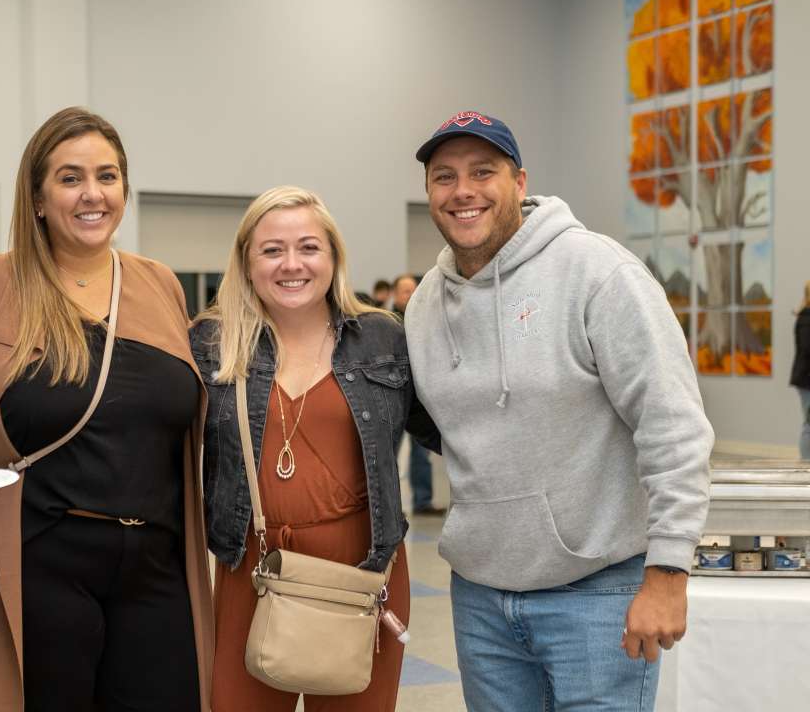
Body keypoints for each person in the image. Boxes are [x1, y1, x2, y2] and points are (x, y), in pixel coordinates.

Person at [406, 111, 713, 711]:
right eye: (444, 177)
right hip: (480, 599)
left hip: (597, 594)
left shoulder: (599, 273)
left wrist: (669, 572)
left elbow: (672, 427)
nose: (463, 190)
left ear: (520, 182)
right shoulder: (424, 306)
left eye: (482, 172)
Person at [0, 106, 212, 711]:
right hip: (38, 567)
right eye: (70, 178)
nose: (92, 194)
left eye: (107, 176)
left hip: (157, 569)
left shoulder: (158, 283)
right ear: (37, 197)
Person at [190, 186, 439, 712]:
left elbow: (454, 427)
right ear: (246, 262)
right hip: (252, 567)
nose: (292, 264)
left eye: (308, 247)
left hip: (362, 570)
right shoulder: (212, 342)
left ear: (333, 257)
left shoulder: (382, 339)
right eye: (272, 250)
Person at [390, 272, 442, 515]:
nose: (410, 294)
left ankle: (423, 501)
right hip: (391, 398)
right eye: (405, 291)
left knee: (422, 454)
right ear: (395, 294)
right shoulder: (385, 323)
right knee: (387, 454)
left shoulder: (424, 320)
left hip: (419, 398)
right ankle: (389, 508)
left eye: (413, 289)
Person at [793, 281, 810, 459]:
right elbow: (806, 349)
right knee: (809, 423)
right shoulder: (806, 318)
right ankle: (806, 464)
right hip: (806, 380)